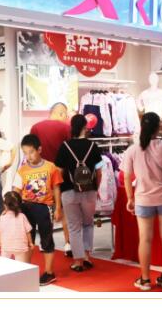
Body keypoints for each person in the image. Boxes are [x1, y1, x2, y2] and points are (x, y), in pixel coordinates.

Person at [121, 112, 162, 291]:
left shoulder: (132, 149)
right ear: (158, 127)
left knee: (145, 239)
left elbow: (127, 177)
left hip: (143, 199)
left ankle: (145, 279)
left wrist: (130, 198)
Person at [54, 114, 104, 272]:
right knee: (88, 224)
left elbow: (58, 172)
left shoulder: (64, 146)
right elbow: (99, 172)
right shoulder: (93, 146)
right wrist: (96, 188)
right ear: (85, 127)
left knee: (74, 227)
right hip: (89, 191)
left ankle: (78, 261)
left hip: (69, 191)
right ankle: (87, 256)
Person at [13, 134, 64, 286]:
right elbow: (16, 190)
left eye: (31, 152)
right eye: (25, 153)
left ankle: (49, 272)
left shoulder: (51, 167)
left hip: (44, 207)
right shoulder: (22, 170)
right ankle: (27, 270)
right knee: (27, 240)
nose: (28, 156)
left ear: (39, 150)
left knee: (46, 240)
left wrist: (58, 208)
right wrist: (11, 207)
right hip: (25, 207)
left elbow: (56, 188)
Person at [30, 102, 73, 256]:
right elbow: (71, 151)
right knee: (65, 210)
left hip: (41, 173)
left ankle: (45, 243)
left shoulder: (36, 127)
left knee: (44, 209)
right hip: (63, 174)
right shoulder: (66, 128)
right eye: (66, 115)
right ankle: (68, 244)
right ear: (61, 113)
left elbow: (31, 151)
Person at [0, 191, 33, 263]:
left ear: (5, 205)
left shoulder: (2, 217)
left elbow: (0, 232)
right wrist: (30, 243)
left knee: (4, 265)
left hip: (6, 246)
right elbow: (28, 232)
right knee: (21, 266)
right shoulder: (22, 216)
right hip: (20, 246)